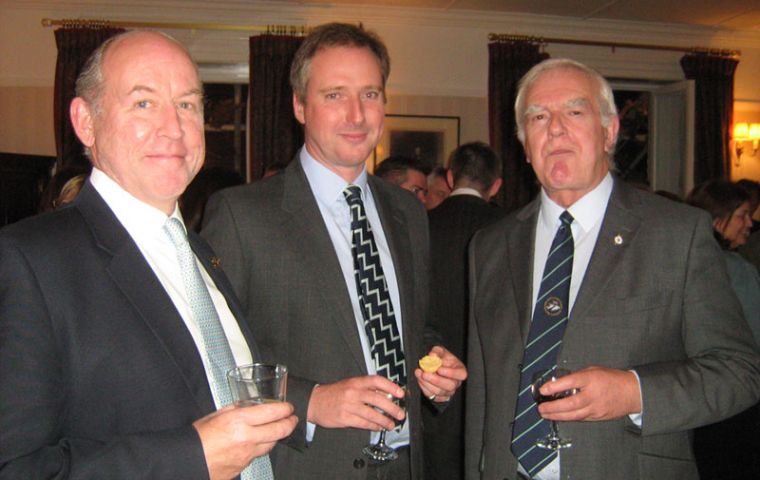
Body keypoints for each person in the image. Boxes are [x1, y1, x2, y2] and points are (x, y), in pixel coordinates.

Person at [0, 31, 297, 479]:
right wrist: (189, 458)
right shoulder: (29, 260)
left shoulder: (199, 251)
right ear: (86, 122)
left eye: (187, 104)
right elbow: (15, 467)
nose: (173, 127)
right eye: (144, 103)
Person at [464, 58, 760, 480]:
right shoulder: (489, 247)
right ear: (524, 144)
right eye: (538, 116)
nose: (555, 128)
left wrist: (633, 392)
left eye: (575, 111)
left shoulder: (677, 233)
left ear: (610, 131)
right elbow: (485, 400)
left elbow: (740, 372)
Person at [202, 22, 466, 480]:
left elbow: (415, 329)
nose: (356, 115)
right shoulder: (241, 215)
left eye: (370, 94)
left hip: (408, 464)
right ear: (300, 106)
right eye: (334, 95)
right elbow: (213, 357)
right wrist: (311, 401)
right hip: (308, 466)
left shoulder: (407, 211)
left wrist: (435, 367)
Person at [424, 141, 504, 480]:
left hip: (430, 376)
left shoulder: (419, 226)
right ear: (496, 184)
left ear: (451, 176)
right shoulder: (513, 228)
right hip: (492, 385)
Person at [686, 179, 760, 343]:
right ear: (717, 220)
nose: (749, 223)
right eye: (742, 215)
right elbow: (755, 328)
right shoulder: (736, 268)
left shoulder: (681, 257)